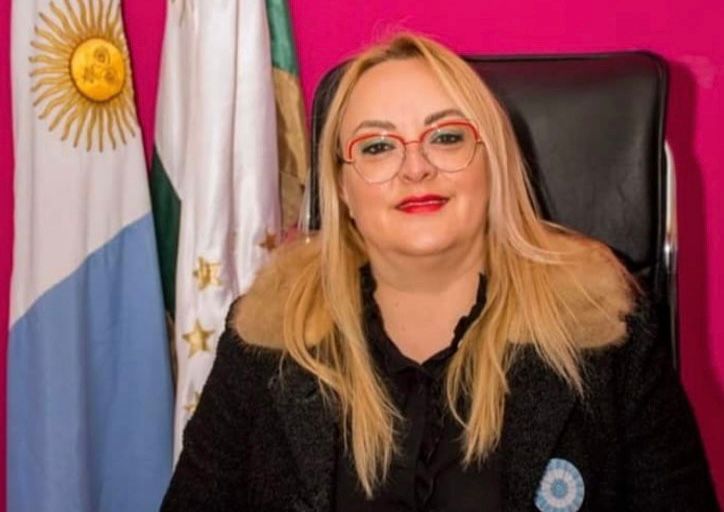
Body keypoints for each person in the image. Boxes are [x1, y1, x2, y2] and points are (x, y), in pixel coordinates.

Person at [161, 33, 718, 511]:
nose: (416, 167)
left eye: (446, 137)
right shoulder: (270, 331)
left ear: (493, 161)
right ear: (343, 189)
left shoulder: (603, 327)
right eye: (378, 146)